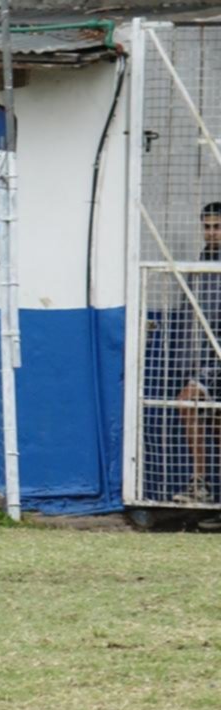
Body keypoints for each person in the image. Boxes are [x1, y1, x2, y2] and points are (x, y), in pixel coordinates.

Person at [176, 201, 221, 504]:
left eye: (217, 227)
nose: (212, 233)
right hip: (209, 361)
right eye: (207, 226)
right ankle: (200, 483)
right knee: (188, 402)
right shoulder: (202, 263)